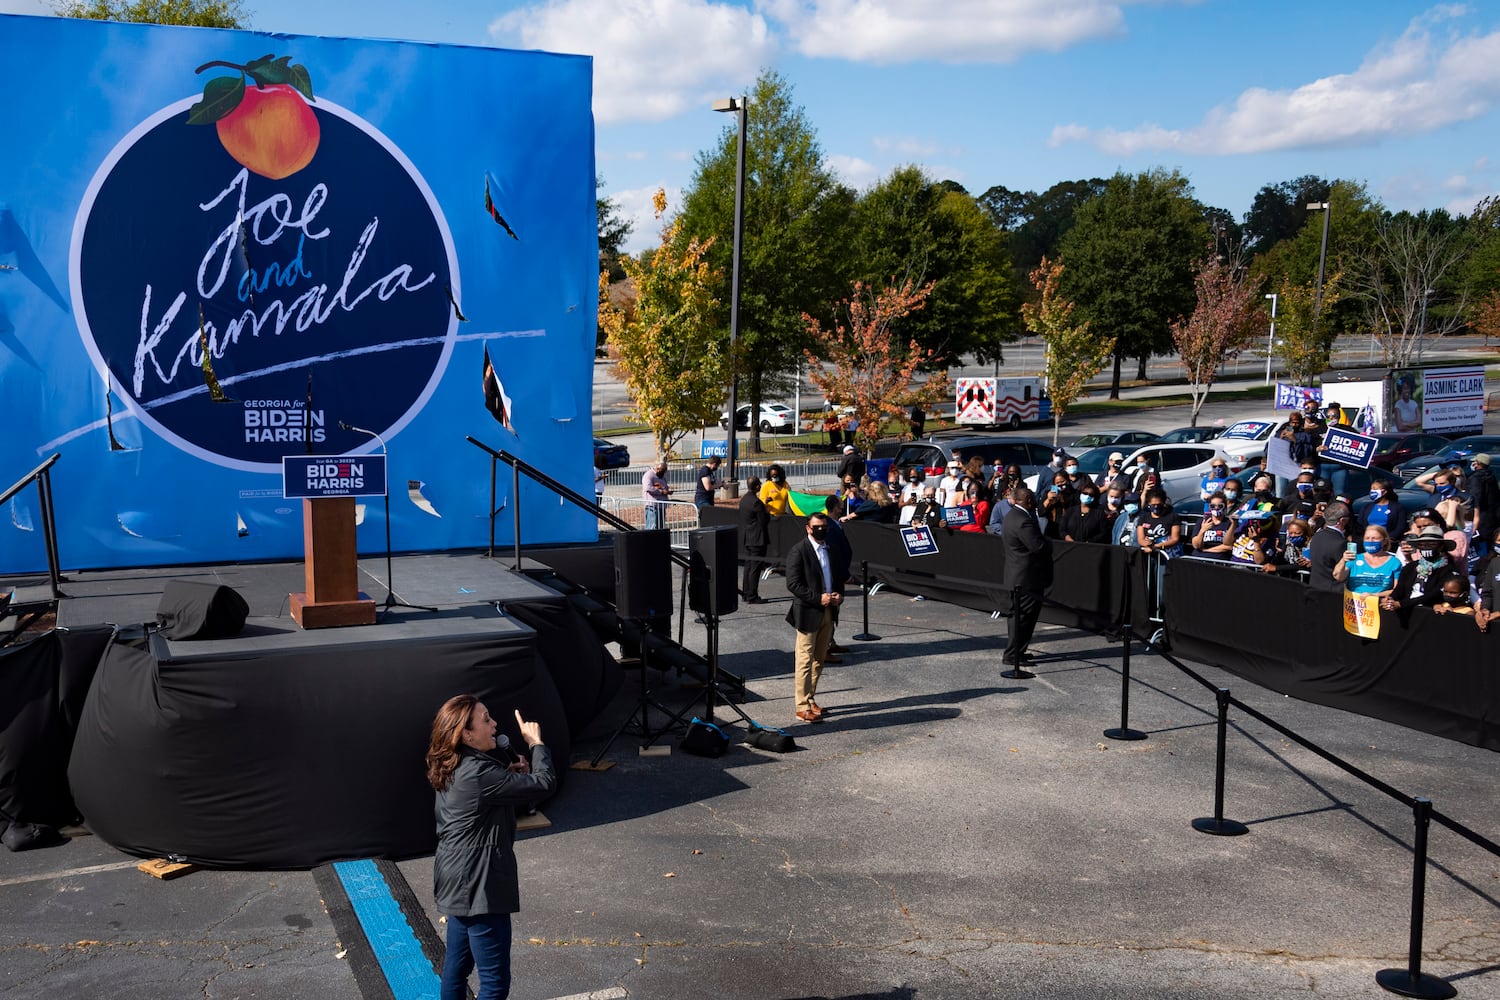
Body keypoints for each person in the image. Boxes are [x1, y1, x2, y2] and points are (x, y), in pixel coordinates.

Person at [427, 695, 556, 1000]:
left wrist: (510, 777)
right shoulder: (480, 773)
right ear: (466, 734)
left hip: (456, 880)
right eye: (485, 719)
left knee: (456, 971)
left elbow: (479, 800)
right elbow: (545, 783)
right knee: (494, 982)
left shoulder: (455, 763)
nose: (495, 724)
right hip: (479, 885)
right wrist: (536, 744)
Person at [784, 511, 843, 722]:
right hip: (809, 612)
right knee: (804, 660)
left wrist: (838, 594)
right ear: (808, 528)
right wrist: (818, 598)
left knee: (819, 659)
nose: (821, 530)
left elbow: (835, 577)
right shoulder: (798, 551)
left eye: (824, 526)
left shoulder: (829, 549)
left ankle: (810, 699)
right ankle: (801, 706)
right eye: (817, 526)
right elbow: (793, 584)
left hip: (829, 611)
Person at [1000, 486, 1052, 668]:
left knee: (1022, 618)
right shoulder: (1023, 520)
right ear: (1028, 501)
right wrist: (1048, 543)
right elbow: (1038, 546)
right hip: (1025, 578)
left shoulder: (1011, 516)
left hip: (1018, 575)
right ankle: (1013, 655)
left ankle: (1019, 651)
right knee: (1022, 618)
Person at [1333, 525, 1400, 596]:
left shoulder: (1394, 562)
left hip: (1379, 603)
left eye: (1374, 538)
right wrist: (1343, 560)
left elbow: (1397, 590)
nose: (1370, 541)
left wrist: (1374, 595)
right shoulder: (1355, 558)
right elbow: (1338, 577)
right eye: (1367, 538)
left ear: (1384, 541)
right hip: (1354, 603)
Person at [1308, 500, 1353, 592]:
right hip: (1332, 593)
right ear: (1342, 521)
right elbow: (1344, 570)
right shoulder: (1340, 543)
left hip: (1315, 589)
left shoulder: (1317, 536)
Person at [738, 475, 769, 604]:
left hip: (747, 537)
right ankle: (752, 595)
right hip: (756, 538)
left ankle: (746, 593)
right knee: (755, 567)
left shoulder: (744, 499)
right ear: (756, 486)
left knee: (748, 567)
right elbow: (764, 519)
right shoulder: (756, 502)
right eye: (759, 484)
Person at [1136, 489, 1183, 559]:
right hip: (1148, 554)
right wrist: (1148, 545)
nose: (1156, 507)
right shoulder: (1144, 517)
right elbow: (1140, 539)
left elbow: (1175, 539)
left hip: (1167, 553)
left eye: (1158, 505)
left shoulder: (1172, 517)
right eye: (1153, 505)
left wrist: (1160, 546)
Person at [1191, 493, 1235, 559]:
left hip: (1218, 560)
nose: (1216, 508)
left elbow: (1229, 546)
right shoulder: (1202, 521)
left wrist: (1206, 550)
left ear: (1225, 507)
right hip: (1198, 558)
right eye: (1213, 506)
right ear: (1209, 507)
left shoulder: (1230, 523)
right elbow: (1196, 545)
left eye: (1220, 506)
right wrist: (1202, 531)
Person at [641, 460, 671, 530]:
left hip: (661, 505)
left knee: (660, 527)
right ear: (657, 469)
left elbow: (664, 486)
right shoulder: (648, 475)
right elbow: (648, 488)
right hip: (652, 505)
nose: (664, 473)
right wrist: (661, 492)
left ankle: (659, 541)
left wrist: (667, 490)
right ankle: (650, 540)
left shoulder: (662, 476)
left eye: (665, 471)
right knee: (652, 527)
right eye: (662, 470)